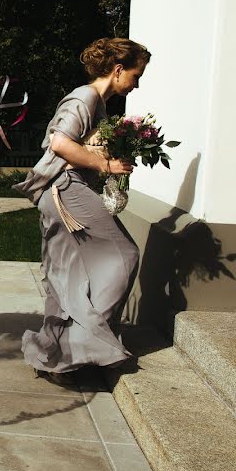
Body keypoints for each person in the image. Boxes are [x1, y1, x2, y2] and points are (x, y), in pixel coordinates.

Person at [14, 37, 151, 384]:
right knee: (125, 255)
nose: (137, 83)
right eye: (136, 75)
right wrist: (106, 166)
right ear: (118, 70)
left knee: (68, 273)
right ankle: (81, 348)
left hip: (66, 189)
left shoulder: (98, 104)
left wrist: (106, 156)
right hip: (66, 189)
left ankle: (57, 355)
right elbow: (60, 143)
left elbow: (77, 142)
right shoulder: (86, 96)